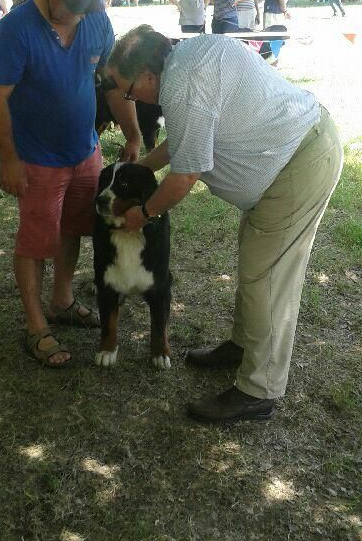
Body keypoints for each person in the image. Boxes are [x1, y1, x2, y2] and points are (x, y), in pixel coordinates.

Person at [105, 25, 343, 423]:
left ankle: (259, 391)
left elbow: (185, 175)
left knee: (268, 279)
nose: (131, 100)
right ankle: (243, 346)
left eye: (128, 92)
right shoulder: (185, 61)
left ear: (147, 76)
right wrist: (142, 167)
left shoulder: (182, 86)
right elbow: (185, 140)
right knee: (256, 268)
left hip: (297, 163)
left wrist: (143, 214)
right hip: (291, 154)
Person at [0, 0, 141, 367]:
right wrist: (8, 159)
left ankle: (61, 300)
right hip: (36, 158)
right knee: (36, 242)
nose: (78, 17)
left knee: (73, 228)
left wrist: (133, 133)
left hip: (85, 151)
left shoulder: (96, 18)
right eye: (71, 7)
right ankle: (36, 326)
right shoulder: (15, 31)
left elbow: (111, 83)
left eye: (85, 8)